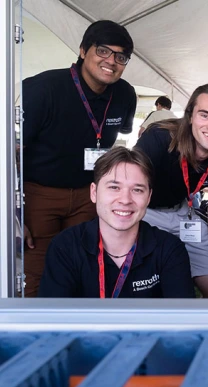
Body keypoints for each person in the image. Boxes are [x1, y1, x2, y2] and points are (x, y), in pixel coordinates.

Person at [22, 20, 137, 297]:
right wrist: (14, 213)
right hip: (39, 194)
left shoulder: (125, 95)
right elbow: (13, 149)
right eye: (103, 51)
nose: (111, 61)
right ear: (83, 50)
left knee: (85, 269)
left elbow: (121, 136)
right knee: (36, 275)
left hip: (90, 194)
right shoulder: (43, 88)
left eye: (121, 57)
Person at [39, 147, 195, 298]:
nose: (125, 200)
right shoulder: (65, 247)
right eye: (114, 187)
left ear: (148, 198)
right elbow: (53, 320)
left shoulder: (169, 250)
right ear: (94, 193)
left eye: (137, 190)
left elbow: (181, 321)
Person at [134, 84, 208, 298]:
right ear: (190, 116)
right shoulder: (159, 139)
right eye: (205, 115)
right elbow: (128, 192)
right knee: (149, 287)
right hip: (145, 213)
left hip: (184, 213)